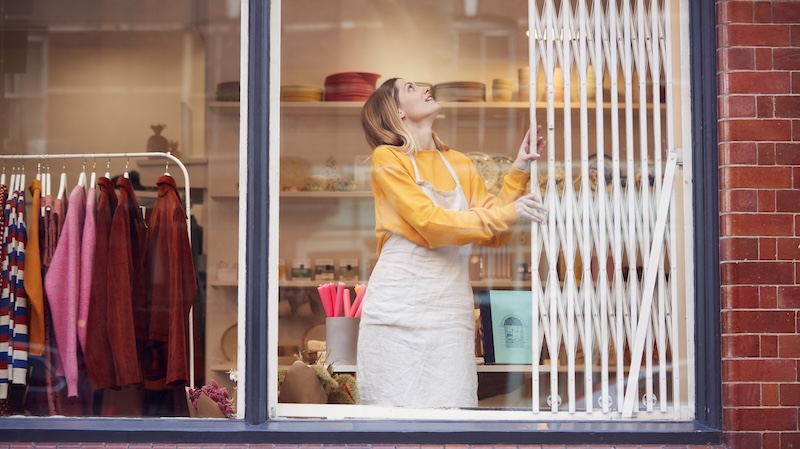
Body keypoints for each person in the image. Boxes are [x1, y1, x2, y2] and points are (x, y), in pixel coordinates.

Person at [355, 77, 547, 408]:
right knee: (390, 420)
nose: (424, 87)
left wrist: (517, 173)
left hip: (448, 310)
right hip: (395, 310)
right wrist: (508, 213)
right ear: (396, 110)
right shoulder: (387, 158)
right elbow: (431, 224)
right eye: (411, 88)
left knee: (453, 414)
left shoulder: (457, 162)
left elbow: (496, 233)